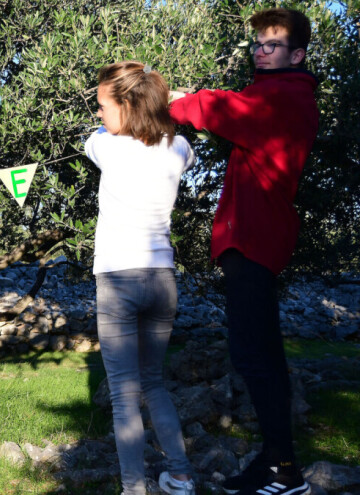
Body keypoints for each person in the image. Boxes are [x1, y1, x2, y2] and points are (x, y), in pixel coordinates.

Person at [169, 8, 317, 495]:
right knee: (256, 352)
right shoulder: (274, 93)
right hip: (249, 238)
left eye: (270, 44)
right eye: (256, 42)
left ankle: (285, 471)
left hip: (254, 238)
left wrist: (174, 102)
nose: (259, 49)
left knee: (257, 354)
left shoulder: (285, 98)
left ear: (297, 54)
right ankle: (274, 461)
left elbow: (222, 110)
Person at [85, 61, 196, 495]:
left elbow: (94, 138)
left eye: (103, 106)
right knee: (153, 382)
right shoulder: (179, 148)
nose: (99, 115)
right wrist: (173, 102)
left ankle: (134, 488)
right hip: (162, 279)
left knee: (124, 395)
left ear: (127, 106)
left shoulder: (106, 147)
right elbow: (178, 134)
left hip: (118, 279)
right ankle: (182, 475)